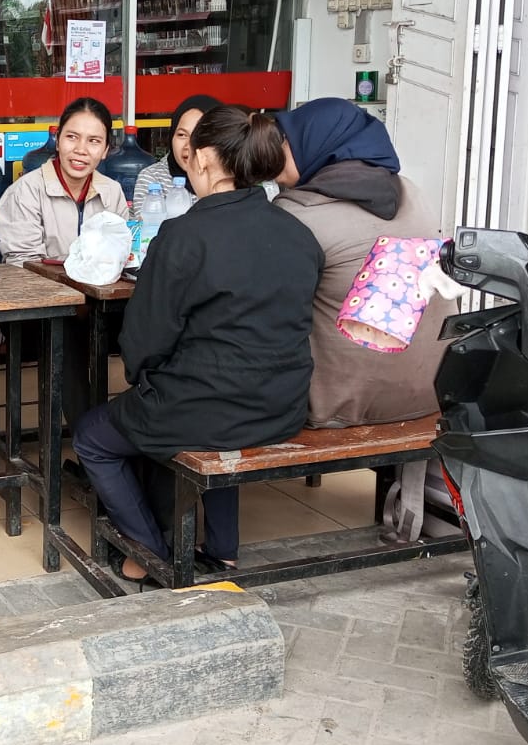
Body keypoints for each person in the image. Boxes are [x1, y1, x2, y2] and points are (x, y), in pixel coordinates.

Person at [72, 106, 323, 582]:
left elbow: (145, 339)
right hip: (281, 407)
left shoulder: (184, 234)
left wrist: (143, 380)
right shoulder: (298, 233)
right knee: (218, 420)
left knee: (92, 437)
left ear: (204, 157)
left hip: (201, 409)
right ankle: (222, 550)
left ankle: (149, 547)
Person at [272, 98, 447, 427]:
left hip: (336, 406)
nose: (276, 151)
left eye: (285, 141)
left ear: (316, 143)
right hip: (428, 392)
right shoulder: (412, 192)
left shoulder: (298, 212)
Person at [0, 98, 127, 264]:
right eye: (72, 137)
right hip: (41, 288)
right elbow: (24, 264)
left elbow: (120, 254)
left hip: (101, 287)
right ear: (57, 141)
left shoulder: (112, 192)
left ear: (105, 150)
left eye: (94, 141)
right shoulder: (27, 190)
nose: (80, 150)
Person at [131, 94, 223, 216]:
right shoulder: (153, 178)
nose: (189, 146)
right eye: (182, 135)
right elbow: (148, 229)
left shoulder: (228, 178)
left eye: (199, 136)